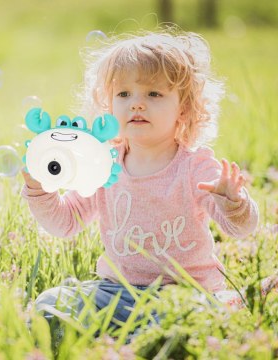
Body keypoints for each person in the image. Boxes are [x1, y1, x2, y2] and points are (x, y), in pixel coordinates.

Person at [20, 28, 260, 334]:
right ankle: (133, 337)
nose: (136, 103)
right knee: (52, 304)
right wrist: (39, 189)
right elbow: (65, 222)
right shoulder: (103, 164)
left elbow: (240, 228)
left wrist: (233, 202)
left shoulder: (195, 167)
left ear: (183, 109)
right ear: (109, 106)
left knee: (180, 325)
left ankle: (164, 331)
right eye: (123, 94)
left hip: (186, 295)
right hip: (116, 292)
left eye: (153, 93)